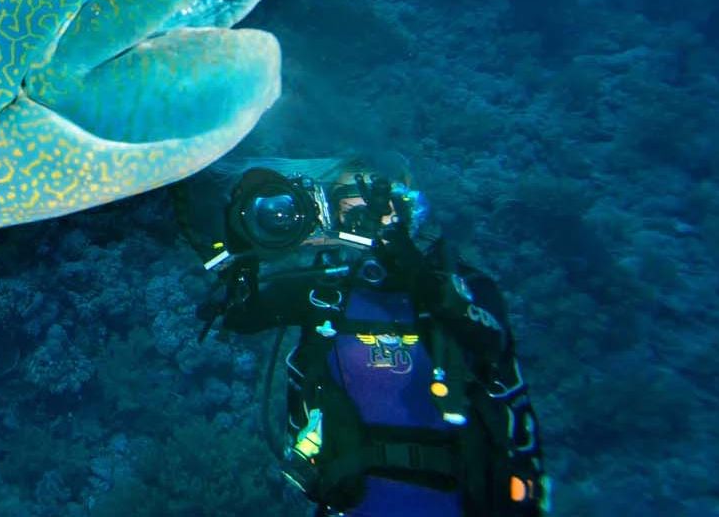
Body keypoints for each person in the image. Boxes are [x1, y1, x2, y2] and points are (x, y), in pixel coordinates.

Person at [175, 156, 549, 516]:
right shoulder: (328, 292)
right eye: (350, 214)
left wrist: (420, 280)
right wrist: (236, 253)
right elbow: (241, 317)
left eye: (376, 209)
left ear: (409, 206)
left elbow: (490, 341)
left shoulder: (463, 287)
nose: (366, 226)